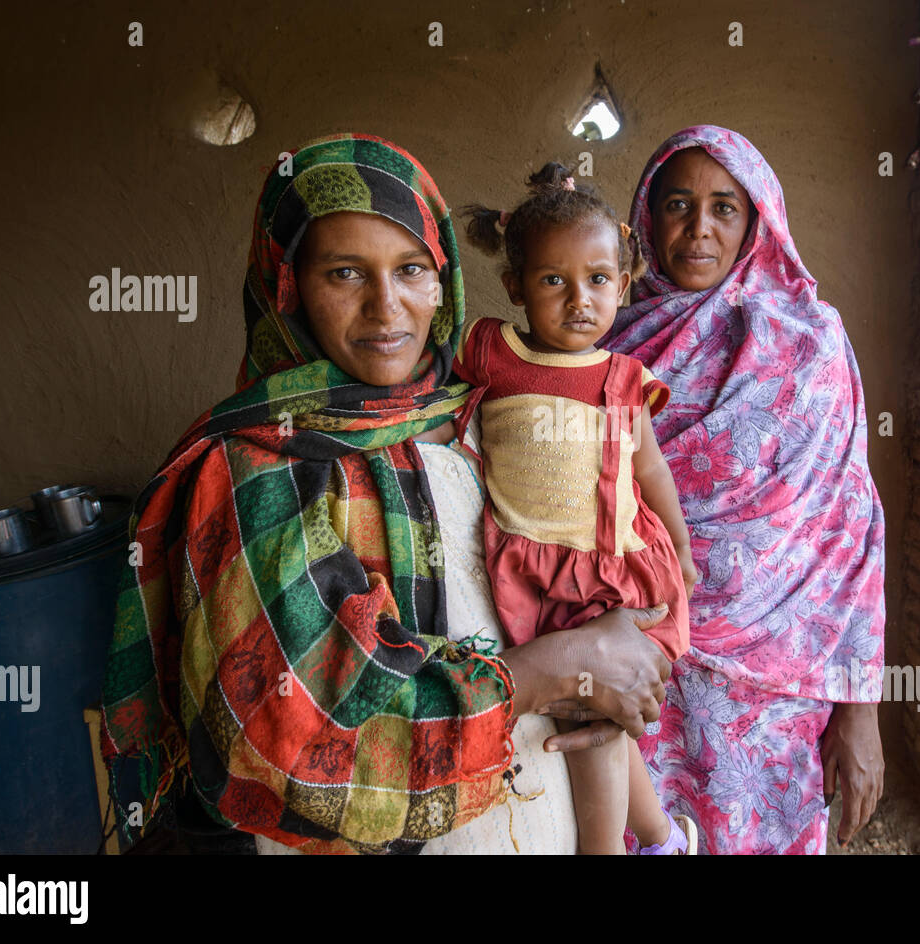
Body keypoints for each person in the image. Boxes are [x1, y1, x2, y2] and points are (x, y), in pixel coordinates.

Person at [98, 133, 671, 855]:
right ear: (289, 286)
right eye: (344, 273)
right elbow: (305, 731)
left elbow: (595, 546)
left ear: (446, 280)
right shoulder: (253, 469)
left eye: (411, 270)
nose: (385, 307)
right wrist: (562, 667)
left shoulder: (477, 414)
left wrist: (624, 641)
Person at [603, 125, 887, 855]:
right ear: (645, 218)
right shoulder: (608, 344)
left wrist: (860, 711)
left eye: (724, 207)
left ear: (757, 218)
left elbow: (849, 531)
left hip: (774, 694)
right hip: (640, 667)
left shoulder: (809, 343)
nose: (699, 229)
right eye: (677, 205)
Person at [455, 163, 698, 855]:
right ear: (516, 289)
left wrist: (679, 548)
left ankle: (604, 849)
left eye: (598, 279)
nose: (578, 300)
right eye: (552, 281)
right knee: (603, 712)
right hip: (535, 570)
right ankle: (661, 837)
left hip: (612, 571)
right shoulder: (491, 353)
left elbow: (649, 469)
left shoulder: (624, 380)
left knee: (598, 706)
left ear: (623, 286)